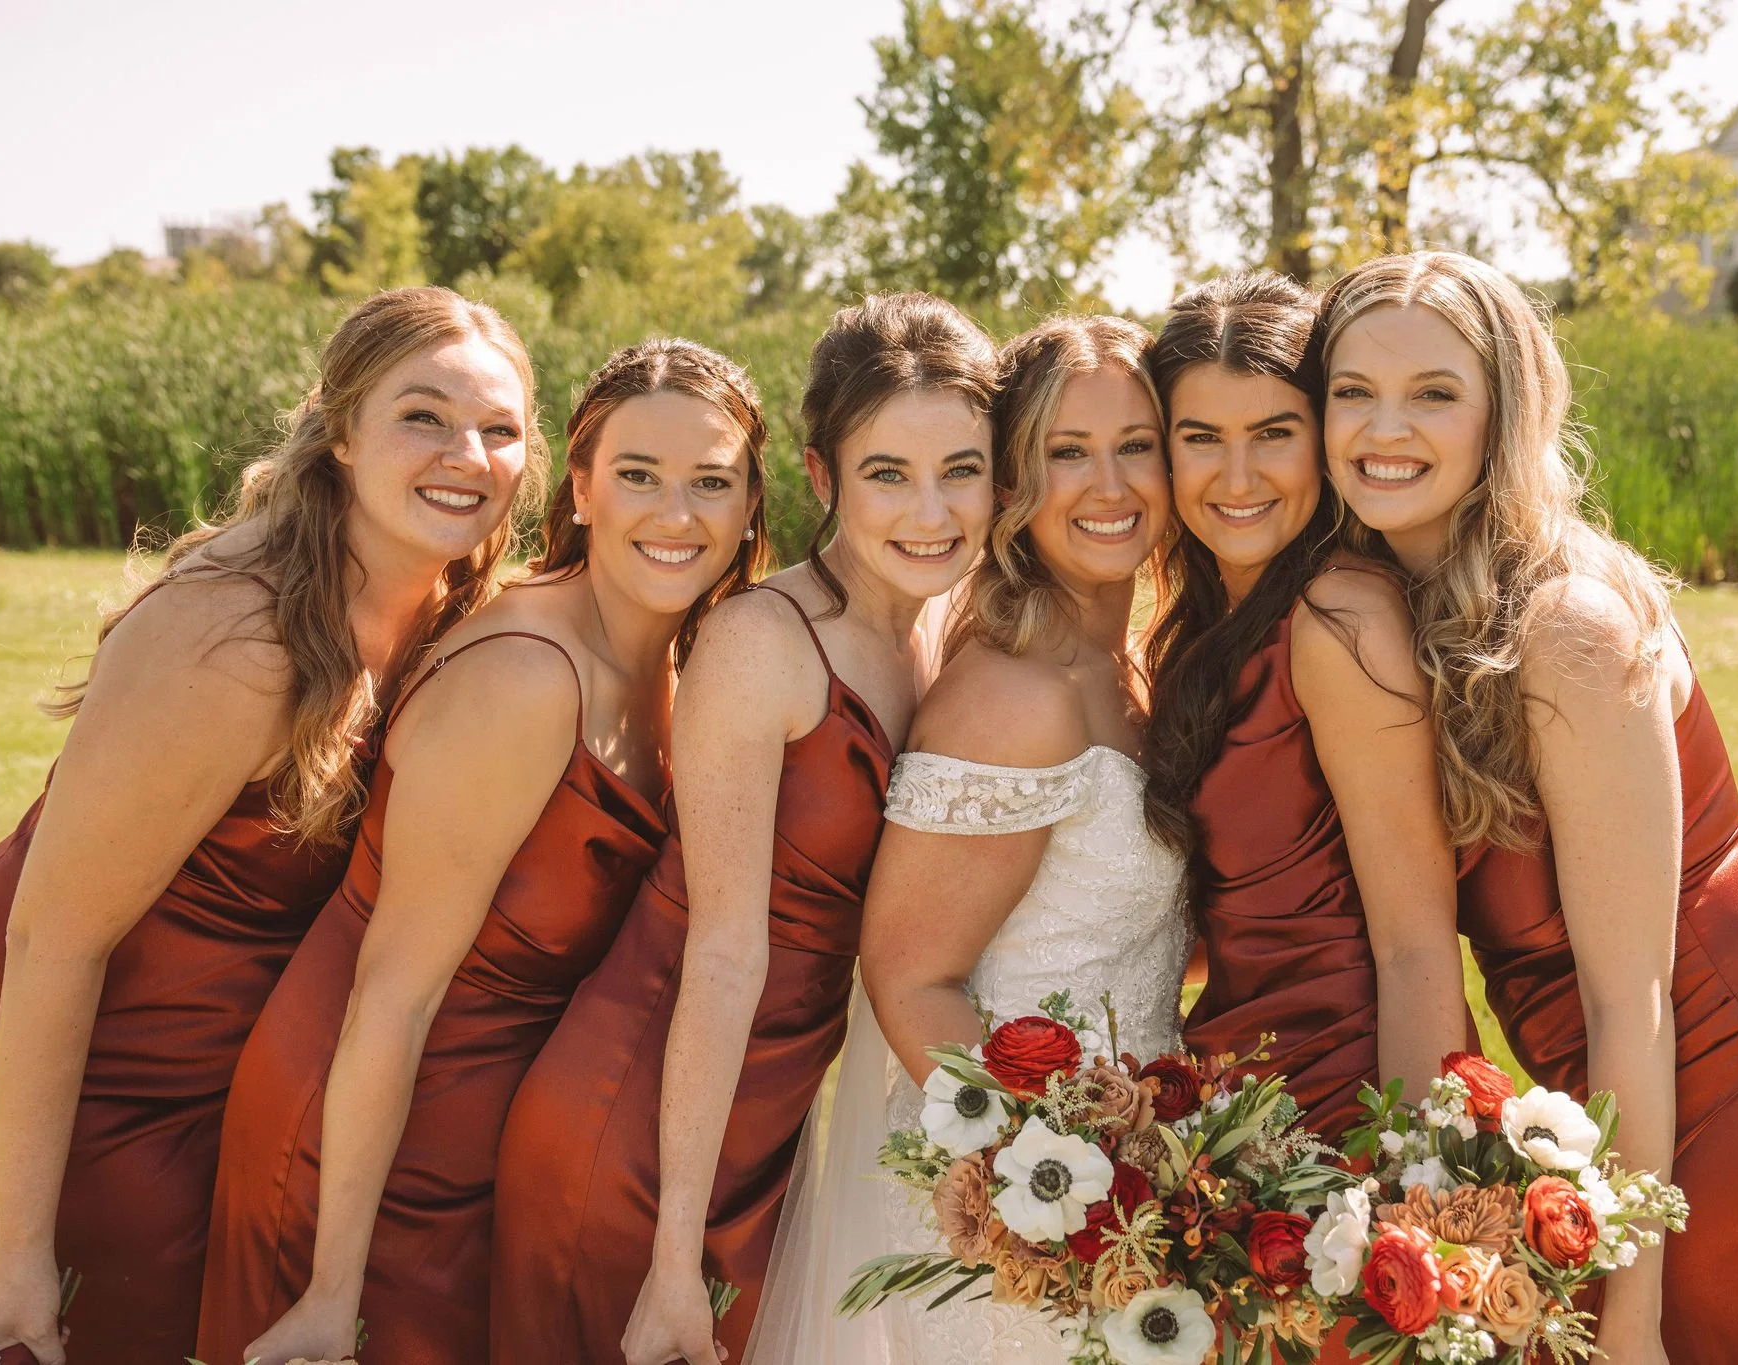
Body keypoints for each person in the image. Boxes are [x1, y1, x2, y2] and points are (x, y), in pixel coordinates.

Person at [1312, 249, 1738, 1364]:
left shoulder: (1564, 625)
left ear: (1500, 414)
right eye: (1350, 392)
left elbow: (1634, 999)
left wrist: (1629, 1314)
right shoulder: (1387, 608)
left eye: (1432, 394)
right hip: (1628, 1104)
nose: (1384, 428)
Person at [0, 287, 542, 1365]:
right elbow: (51, 941)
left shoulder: (453, 607)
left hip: (202, 1096)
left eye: (498, 429)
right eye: (423, 415)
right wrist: (17, 1249)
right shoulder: (236, 633)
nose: (466, 452)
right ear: (340, 431)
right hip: (35, 1084)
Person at [194, 340, 769, 1365]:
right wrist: (334, 1287)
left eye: (710, 482)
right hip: (356, 1134)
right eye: (637, 475)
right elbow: (391, 995)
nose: (676, 514)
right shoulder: (525, 678)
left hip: (478, 1139)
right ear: (582, 490)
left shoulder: (680, 669)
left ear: (748, 504)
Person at [488, 293, 998, 1365]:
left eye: (961, 468)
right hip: (645, 1114)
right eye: (886, 474)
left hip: (774, 1115)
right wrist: (674, 1251)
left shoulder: (947, 625)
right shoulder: (762, 642)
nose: (929, 509)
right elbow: (722, 952)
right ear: (821, 478)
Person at [748, 315, 1188, 1365]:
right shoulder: (1013, 696)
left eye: (1135, 446)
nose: (1109, 484)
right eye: (1063, 454)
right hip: (1019, 1223)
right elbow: (912, 980)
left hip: (1137, 1177)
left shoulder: (1124, 667)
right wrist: (1049, 1184)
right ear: (1012, 485)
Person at [1142, 273, 1465, 1146]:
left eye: (1273, 434)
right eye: (1201, 436)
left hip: (1346, 1114)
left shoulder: (1337, 622)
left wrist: (1412, 1186)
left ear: (1322, 438)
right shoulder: (1208, 631)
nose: (1237, 475)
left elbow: (1416, 943)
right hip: (1235, 1117)